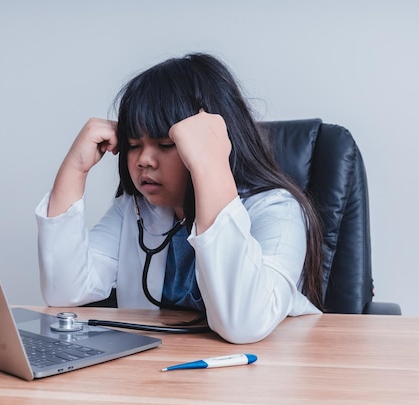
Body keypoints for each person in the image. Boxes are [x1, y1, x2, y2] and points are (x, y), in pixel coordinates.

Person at [35, 52, 324, 344]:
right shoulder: (134, 210)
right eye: (134, 144)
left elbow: (242, 324)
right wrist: (75, 168)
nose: (144, 160)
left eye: (165, 144)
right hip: (160, 371)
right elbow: (65, 291)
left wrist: (210, 165)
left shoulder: (277, 210)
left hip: (256, 374)